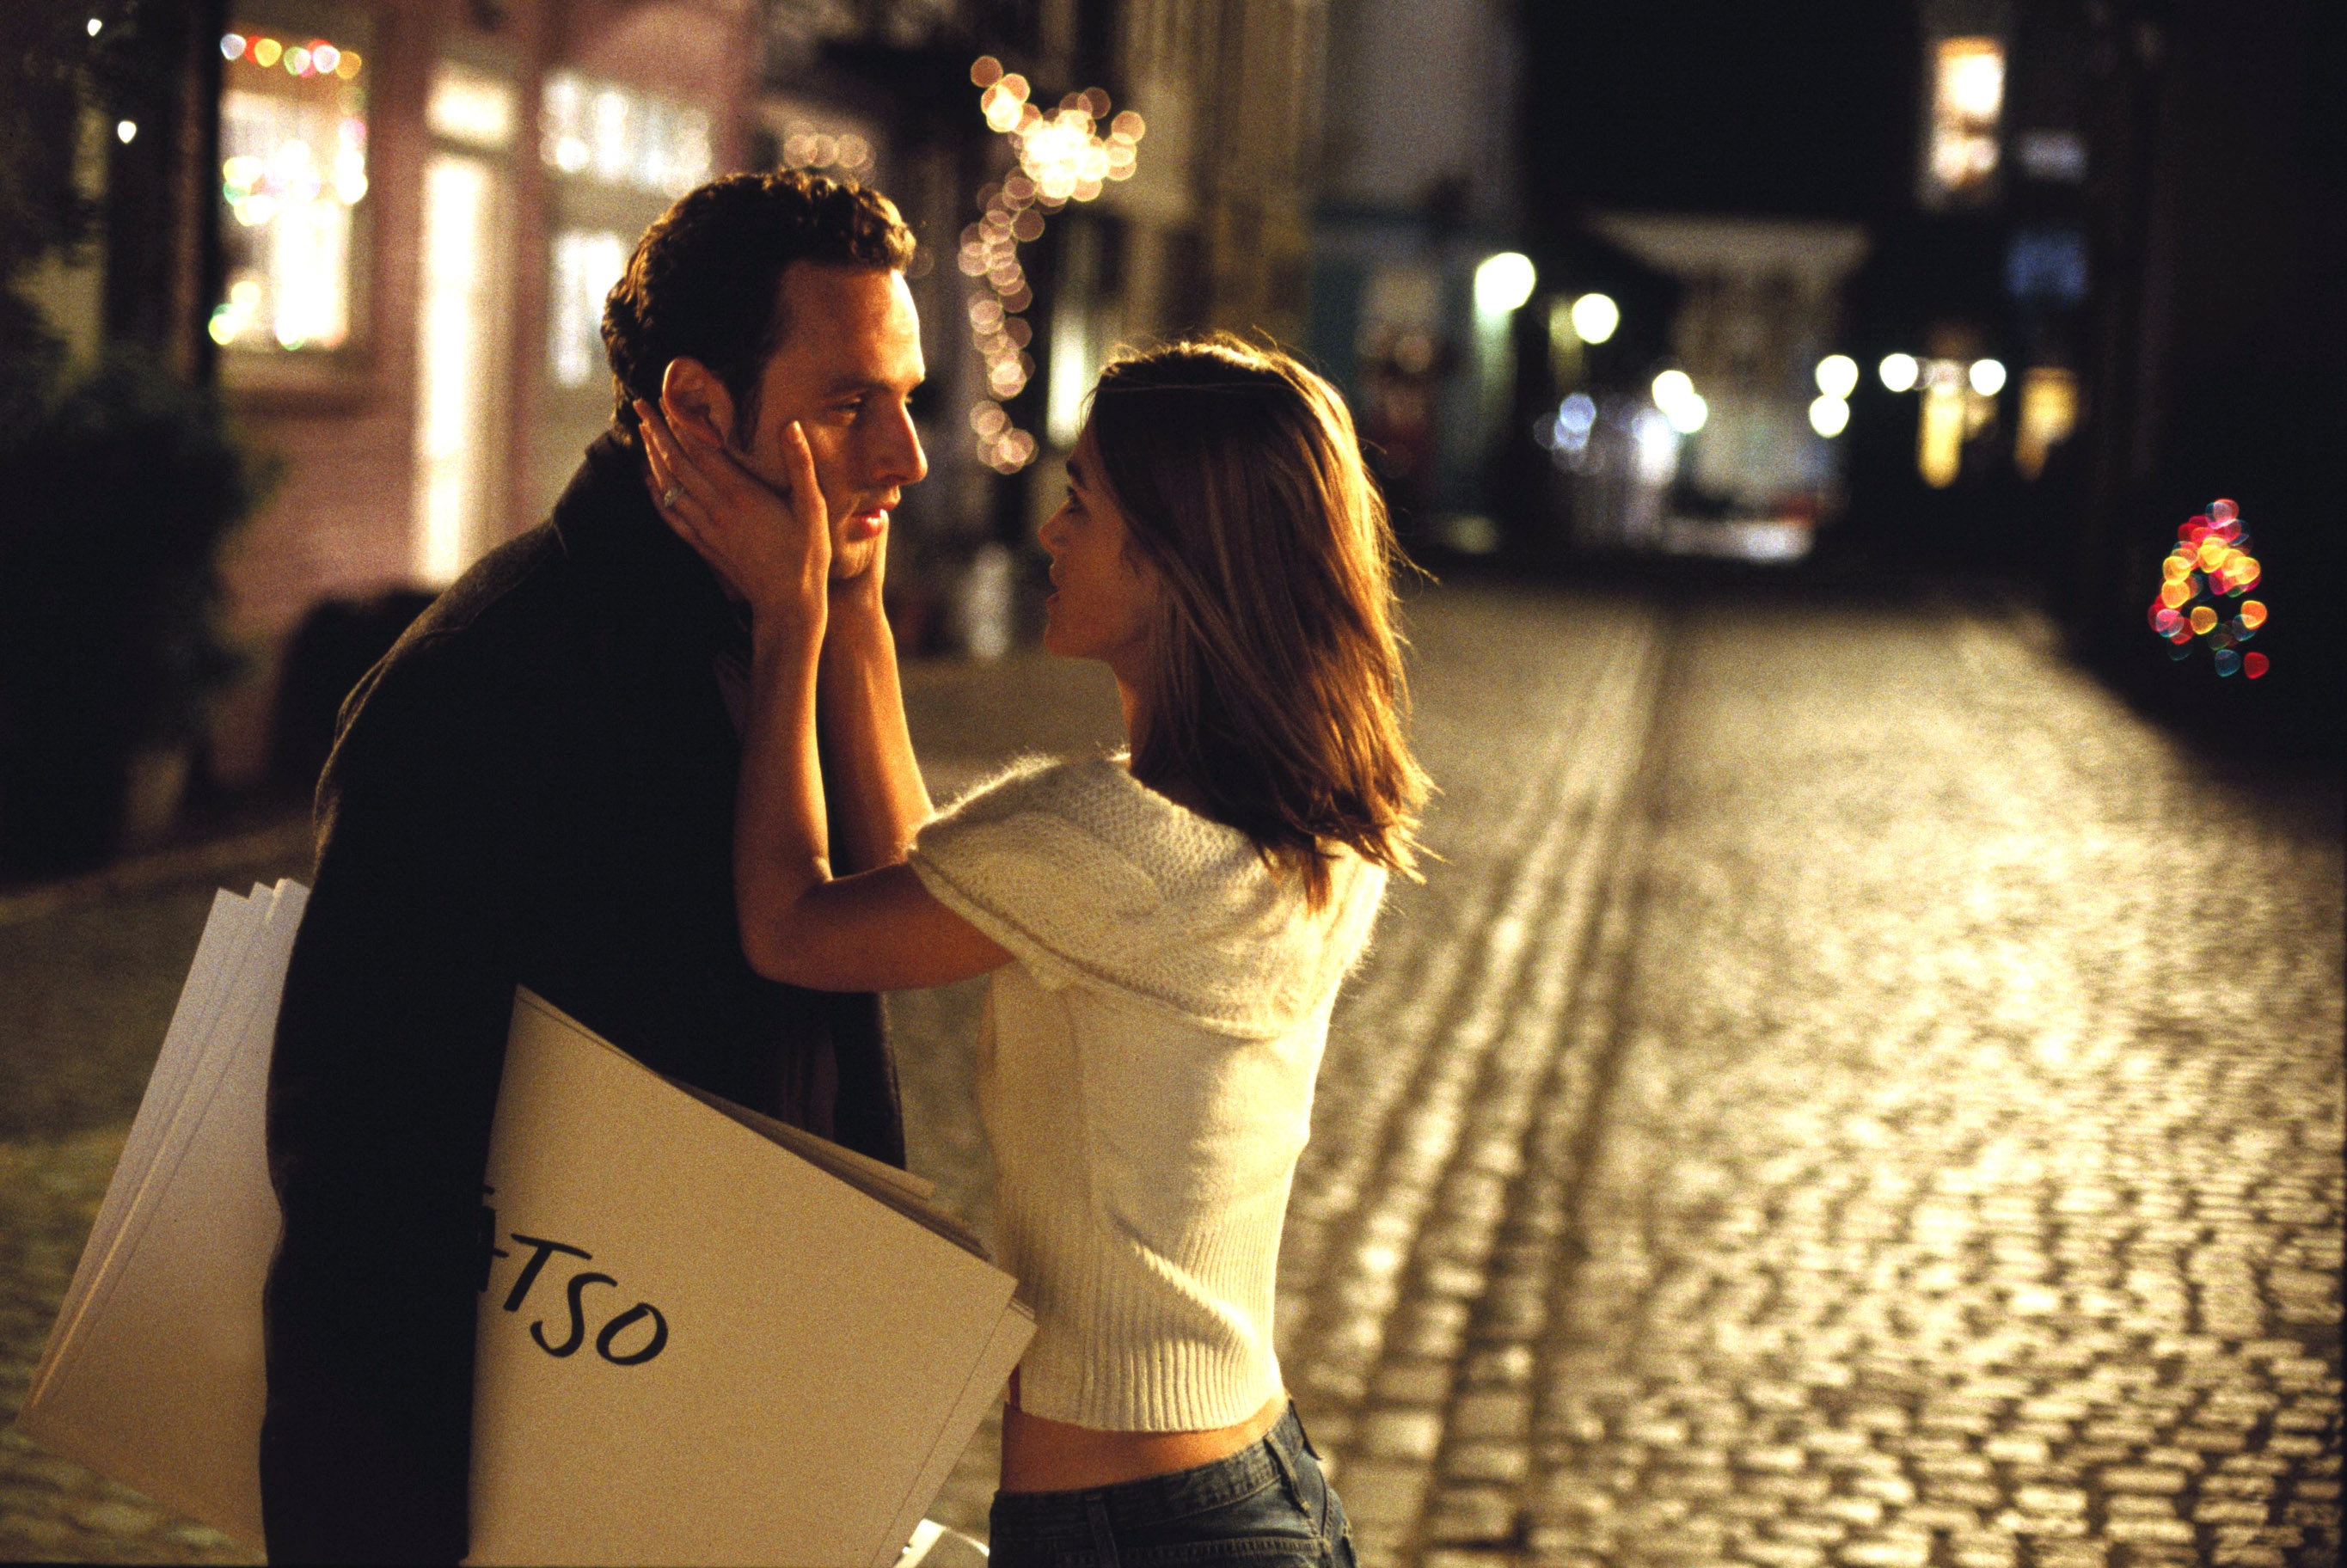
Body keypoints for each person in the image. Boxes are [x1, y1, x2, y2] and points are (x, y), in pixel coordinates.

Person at [636, 334, 1428, 1564]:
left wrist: (791, 621)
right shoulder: (1312, 831)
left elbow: (791, 927)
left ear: (1178, 563)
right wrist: (857, 608)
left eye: (1083, 505)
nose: (1051, 533)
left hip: (1138, 1530)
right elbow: (945, 876)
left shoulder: (1102, 848)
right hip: (1256, 1487)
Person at [260, 171, 928, 1565]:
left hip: (729, 1421)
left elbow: (902, 895)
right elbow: (359, 1159)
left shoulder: (777, 619)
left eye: (907, 399)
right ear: (696, 407)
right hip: (537, 1479)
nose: (906, 456)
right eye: (850, 403)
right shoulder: (495, 677)